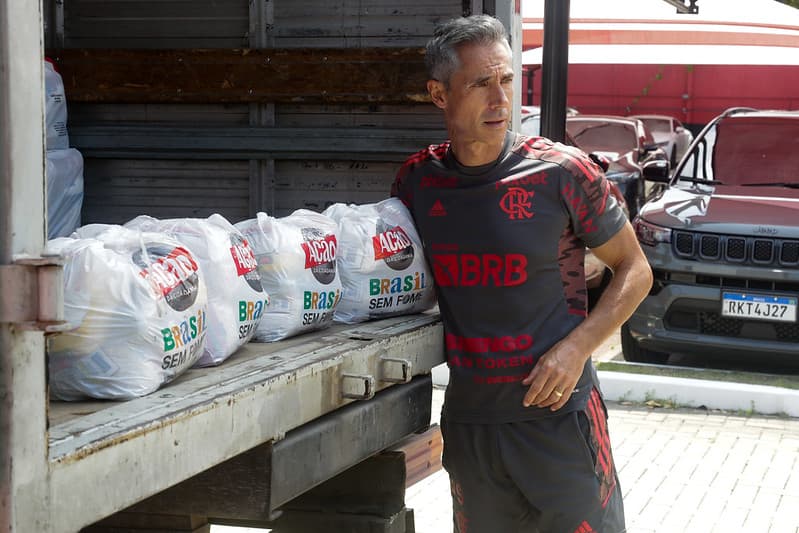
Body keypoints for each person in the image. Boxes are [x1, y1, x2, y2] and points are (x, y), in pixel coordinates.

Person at [391, 14, 653, 533]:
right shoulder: (417, 181)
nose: (500, 100)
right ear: (439, 94)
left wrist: (577, 349)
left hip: (559, 420)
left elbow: (636, 268)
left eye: (507, 80)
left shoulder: (562, 172)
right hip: (472, 424)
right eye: (480, 84)